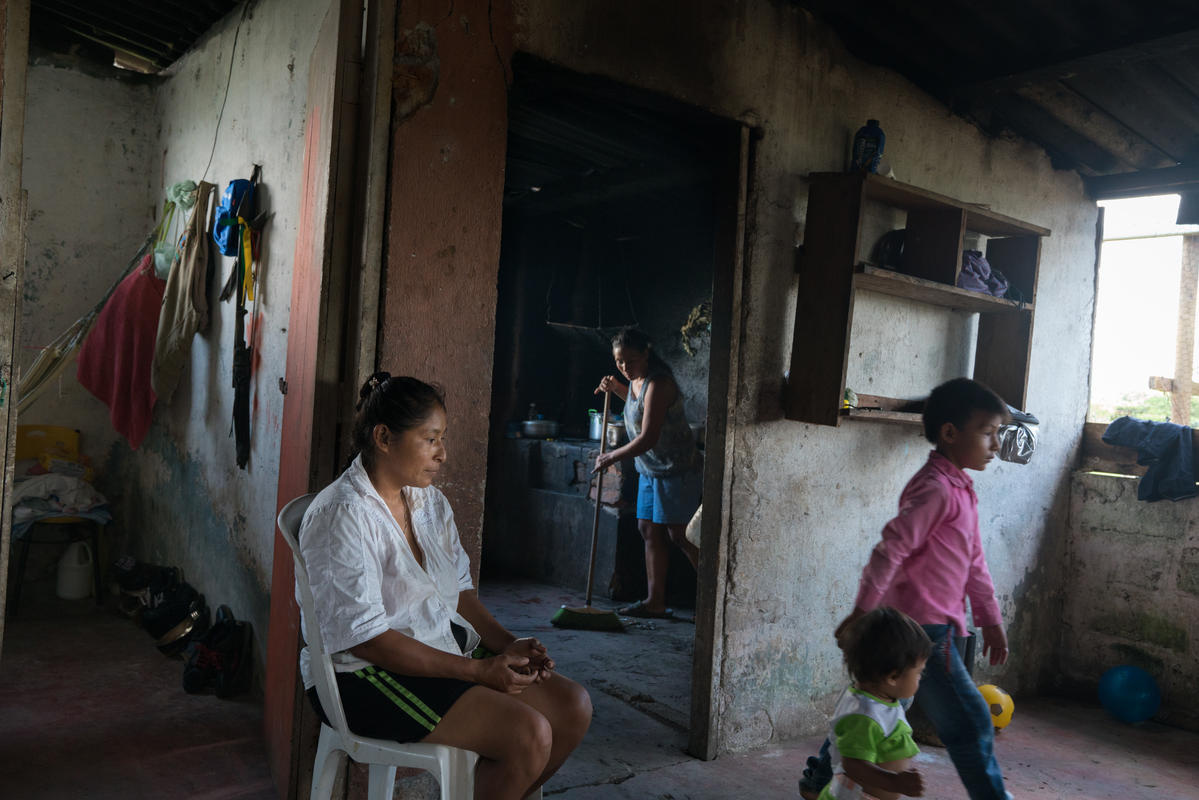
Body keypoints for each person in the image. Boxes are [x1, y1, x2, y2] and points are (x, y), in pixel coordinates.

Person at [298, 373, 592, 800]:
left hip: (434, 650)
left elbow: (460, 593)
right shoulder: (343, 514)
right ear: (384, 437)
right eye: (430, 439)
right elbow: (367, 640)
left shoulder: (428, 501)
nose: (442, 453)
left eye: (443, 438)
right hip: (361, 675)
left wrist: (507, 644)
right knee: (528, 735)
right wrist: (476, 670)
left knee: (572, 707)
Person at [800, 377, 1013, 800]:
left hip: (921, 625)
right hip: (924, 631)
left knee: (880, 701)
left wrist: (990, 618)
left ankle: (820, 779)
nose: (995, 444)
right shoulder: (936, 489)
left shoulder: (960, 488)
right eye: (987, 432)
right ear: (950, 433)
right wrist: (862, 612)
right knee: (970, 721)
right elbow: (890, 549)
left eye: (998, 433)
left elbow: (974, 561)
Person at [594, 327, 701, 618]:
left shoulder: (660, 383)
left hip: (676, 468)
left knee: (681, 536)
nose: (625, 367)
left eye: (631, 360)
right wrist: (616, 387)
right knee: (648, 530)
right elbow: (637, 405)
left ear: (646, 354)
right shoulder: (635, 381)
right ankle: (655, 602)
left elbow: (649, 437)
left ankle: (714, 600)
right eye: (619, 361)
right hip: (650, 469)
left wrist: (611, 456)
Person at [818, 607, 932, 800]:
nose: (920, 678)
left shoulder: (880, 700)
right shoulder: (865, 715)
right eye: (919, 672)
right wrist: (894, 782)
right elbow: (853, 764)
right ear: (893, 677)